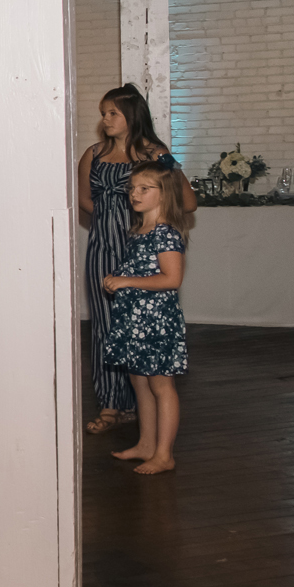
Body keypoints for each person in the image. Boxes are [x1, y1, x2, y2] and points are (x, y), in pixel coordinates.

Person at [78, 84, 196, 436]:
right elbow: (84, 200)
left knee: (139, 326)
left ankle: (137, 405)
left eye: (113, 113)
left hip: (141, 249)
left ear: (132, 116)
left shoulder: (153, 153)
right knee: (104, 325)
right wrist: (108, 220)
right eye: (103, 113)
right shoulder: (93, 154)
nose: (105, 119)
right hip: (102, 247)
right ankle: (110, 403)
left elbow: (188, 202)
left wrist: (138, 221)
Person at [103, 161, 189, 475]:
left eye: (144, 189)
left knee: (161, 386)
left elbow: (171, 278)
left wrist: (126, 281)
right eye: (132, 189)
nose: (134, 194)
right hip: (136, 320)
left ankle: (164, 454)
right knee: (139, 383)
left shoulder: (165, 233)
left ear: (164, 193)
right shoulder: (140, 230)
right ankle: (146, 444)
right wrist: (118, 279)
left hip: (156, 321)